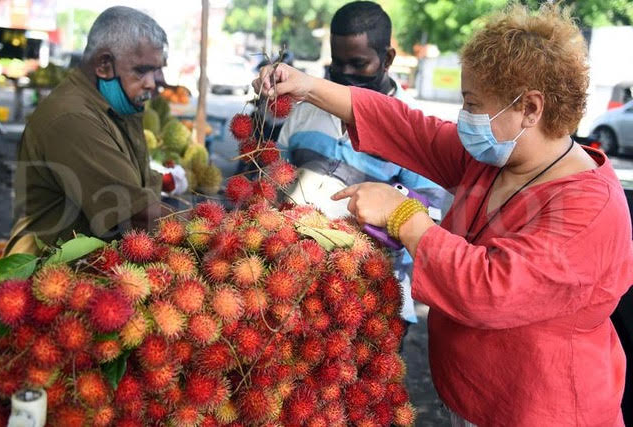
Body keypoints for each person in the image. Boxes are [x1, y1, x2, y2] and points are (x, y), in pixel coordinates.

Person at [255, 4, 633, 426]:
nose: (465, 116)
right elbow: (408, 127)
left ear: (530, 107)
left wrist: (404, 216)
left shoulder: (588, 208)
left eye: (473, 104)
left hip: (542, 412)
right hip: (471, 400)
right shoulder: (497, 159)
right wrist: (308, 87)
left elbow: (489, 289)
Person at [278, 0, 450, 337]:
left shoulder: (414, 132)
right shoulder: (301, 114)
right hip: (298, 288)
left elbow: (430, 219)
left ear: (387, 59)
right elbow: (272, 183)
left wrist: (380, 216)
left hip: (375, 297)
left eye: (359, 64)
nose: (347, 75)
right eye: (338, 64)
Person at [5, 6, 176, 255]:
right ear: (104, 65)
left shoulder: (115, 107)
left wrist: (166, 181)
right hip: (51, 274)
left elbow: (132, 177)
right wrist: (215, 231)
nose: (152, 83)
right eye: (141, 70)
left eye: (156, 70)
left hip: (93, 267)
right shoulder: (72, 118)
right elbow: (136, 214)